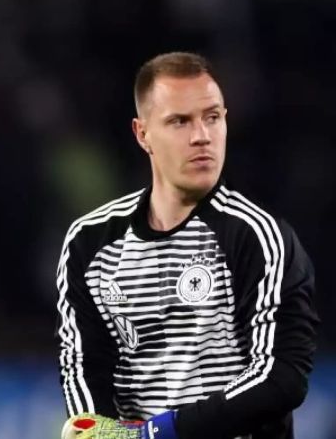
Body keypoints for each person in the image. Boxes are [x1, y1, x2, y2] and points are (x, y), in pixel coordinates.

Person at [56, 52, 319, 439]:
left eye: (212, 117)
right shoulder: (89, 242)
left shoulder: (258, 236)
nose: (201, 135)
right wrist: (101, 431)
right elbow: (82, 366)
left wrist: (164, 432)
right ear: (142, 133)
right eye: (179, 121)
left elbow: (280, 377)